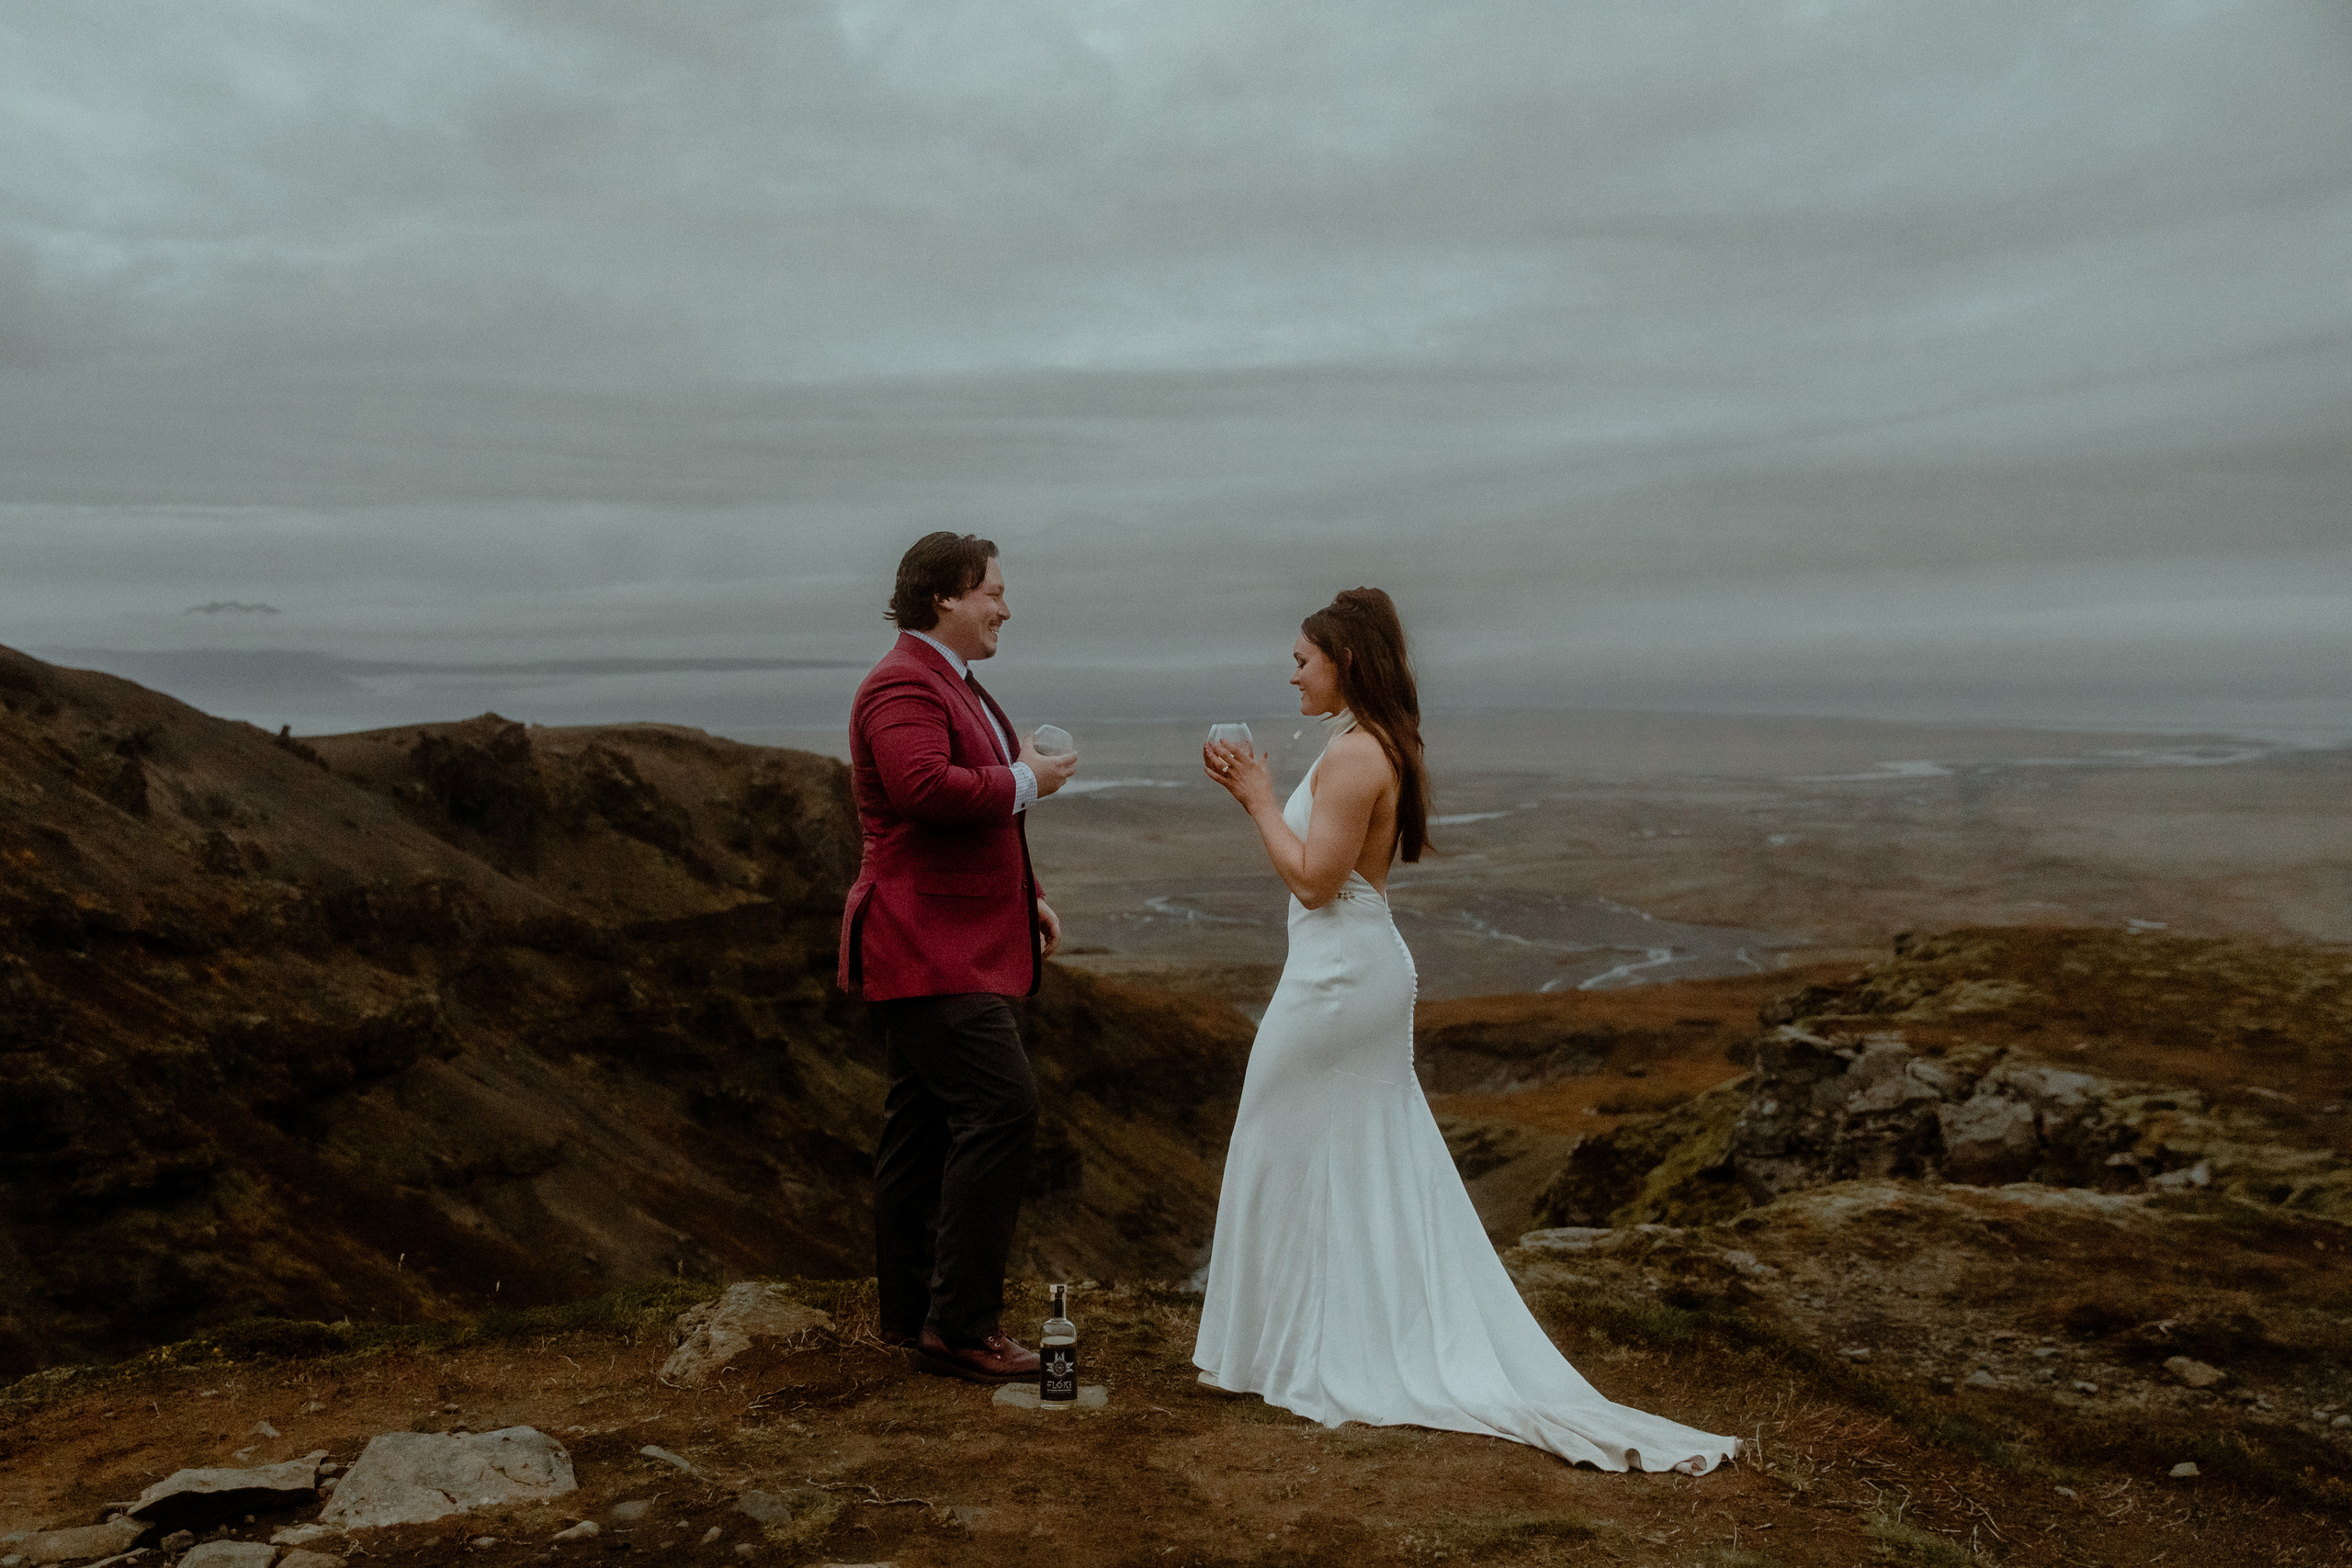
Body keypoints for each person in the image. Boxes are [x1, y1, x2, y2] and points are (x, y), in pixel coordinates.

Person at [1193, 587, 1737, 1474]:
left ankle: (1305, 1349)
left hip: (1338, 977)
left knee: (1274, 1135)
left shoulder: (1354, 756)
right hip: (1350, 970)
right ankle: (1303, 1344)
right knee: (1341, 1151)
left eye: (1302, 659)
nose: (1289, 673)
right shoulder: (1366, 745)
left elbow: (1314, 883)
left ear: (1347, 663)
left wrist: (1255, 796)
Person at [839, 532, 1079, 1382]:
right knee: (1002, 1107)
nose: (1005, 607)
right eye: (993, 592)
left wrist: (1027, 897)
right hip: (923, 942)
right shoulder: (905, 680)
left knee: (920, 1124)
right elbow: (924, 789)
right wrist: (1029, 782)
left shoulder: (951, 682)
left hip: (947, 936)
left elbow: (975, 815)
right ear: (944, 596)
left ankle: (910, 1315)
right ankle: (964, 1328)